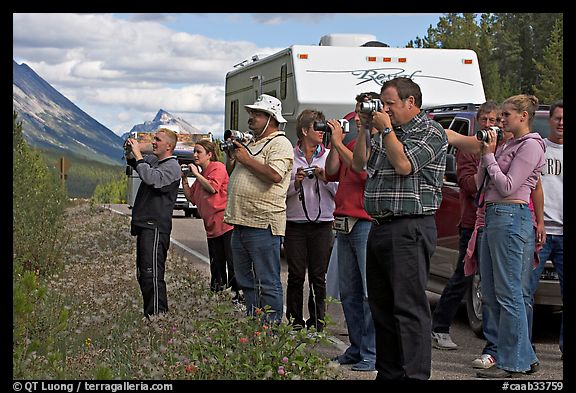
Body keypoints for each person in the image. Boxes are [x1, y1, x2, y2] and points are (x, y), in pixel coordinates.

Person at [352, 77, 448, 380]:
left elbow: (404, 165)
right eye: (382, 104)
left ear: (411, 102)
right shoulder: (383, 131)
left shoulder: (430, 131)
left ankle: (415, 375)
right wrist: (364, 128)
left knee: (409, 309)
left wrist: (387, 130)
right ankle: (389, 373)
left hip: (410, 227)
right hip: (379, 226)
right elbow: (359, 164)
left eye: (390, 104)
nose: (385, 109)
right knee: (381, 308)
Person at [474, 94, 545, 378]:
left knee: (509, 293)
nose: (500, 121)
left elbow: (507, 186)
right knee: (491, 292)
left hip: (511, 217)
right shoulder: (507, 145)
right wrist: (485, 155)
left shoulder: (530, 146)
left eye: (506, 115)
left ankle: (512, 362)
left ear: (523, 116)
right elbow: (481, 184)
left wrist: (490, 156)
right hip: (493, 216)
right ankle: (525, 355)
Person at [431, 101, 500, 350]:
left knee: (493, 279)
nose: (490, 125)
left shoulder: (502, 147)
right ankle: (439, 327)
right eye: (485, 120)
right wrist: (489, 164)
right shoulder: (469, 148)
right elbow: (468, 185)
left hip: (496, 222)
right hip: (472, 223)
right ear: (478, 121)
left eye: (494, 120)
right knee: (463, 276)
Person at [223, 94, 294, 324]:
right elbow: (234, 174)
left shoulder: (280, 143)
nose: (251, 118)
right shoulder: (252, 144)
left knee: (267, 280)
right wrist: (233, 158)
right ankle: (254, 325)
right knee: (245, 280)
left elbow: (274, 175)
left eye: (257, 114)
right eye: (252, 113)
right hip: (241, 221)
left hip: (262, 223)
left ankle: (271, 331)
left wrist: (245, 159)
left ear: (271, 118)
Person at [325, 93, 378, 372]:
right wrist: (336, 144)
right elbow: (331, 171)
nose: (357, 117)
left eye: (362, 112)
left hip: (365, 222)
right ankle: (356, 347)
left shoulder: (376, 142)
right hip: (343, 221)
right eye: (356, 111)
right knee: (349, 291)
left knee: (370, 293)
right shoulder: (354, 141)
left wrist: (338, 144)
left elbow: (361, 172)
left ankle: (371, 351)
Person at [284, 109, 337, 332]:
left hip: (323, 222)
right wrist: (296, 183)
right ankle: (295, 320)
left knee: (318, 275)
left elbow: (339, 190)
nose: (322, 132)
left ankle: (317, 322)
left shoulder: (329, 156)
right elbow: (280, 191)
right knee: (296, 274)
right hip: (295, 222)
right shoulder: (290, 156)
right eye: (318, 127)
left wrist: (325, 178)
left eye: (324, 128)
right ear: (305, 130)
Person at [125, 128, 181, 318]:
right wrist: (131, 150)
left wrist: (139, 155)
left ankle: (158, 318)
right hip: (146, 226)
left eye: (158, 140)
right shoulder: (157, 161)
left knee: (152, 275)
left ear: (169, 146)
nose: (154, 142)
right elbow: (134, 162)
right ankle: (151, 317)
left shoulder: (172, 167)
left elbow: (152, 179)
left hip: (155, 227)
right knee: (143, 275)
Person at [181, 139, 241, 301]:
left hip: (226, 225)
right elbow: (191, 198)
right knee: (216, 264)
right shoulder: (202, 174)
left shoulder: (217, 167)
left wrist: (196, 174)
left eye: (198, 152)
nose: (195, 155)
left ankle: (237, 297)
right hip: (211, 227)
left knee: (232, 263)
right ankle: (218, 297)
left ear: (209, 154)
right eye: (194, 151)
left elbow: (213, 188)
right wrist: (185, 180)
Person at [528, 100, 563, 357]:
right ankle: (523, 347)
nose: (561, 123)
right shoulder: (538, 148)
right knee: (524, 291)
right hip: (539, 231)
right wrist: (537, 221)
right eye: (557, 118)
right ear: (550, 119)